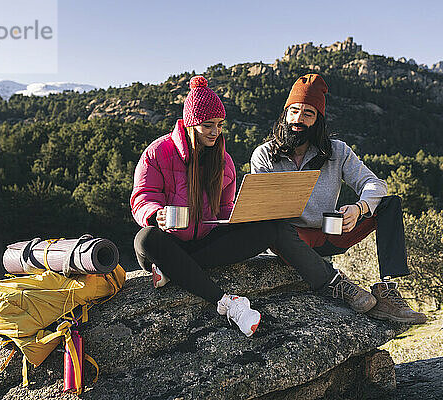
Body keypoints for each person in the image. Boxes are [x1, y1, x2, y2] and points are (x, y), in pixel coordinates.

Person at [131, 76, 356, 337]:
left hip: (204, 245)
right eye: (208, 126)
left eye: (219, 125)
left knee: (272, 226)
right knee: (146, 238)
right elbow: (141, 198)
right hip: (166, 241)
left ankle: (329, 281)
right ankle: (229, 305)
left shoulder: (223, 162)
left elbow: (225, 210)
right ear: (191, 124)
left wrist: (243, 217)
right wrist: (155, 214)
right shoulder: (158, 152)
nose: (215, 132)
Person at [250, 74, 427, 324]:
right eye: (294, 112)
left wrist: (359, 207)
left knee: (389, 204)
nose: (298, 120)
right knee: (274, 226)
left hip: (330, 233)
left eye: (308, 114)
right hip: (288, 239)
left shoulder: (337, 151)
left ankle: (386, 290)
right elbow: (259, 207)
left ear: (318, 121)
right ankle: (336, 283)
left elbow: (375, 184)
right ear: (285, 115)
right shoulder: (264, 155)